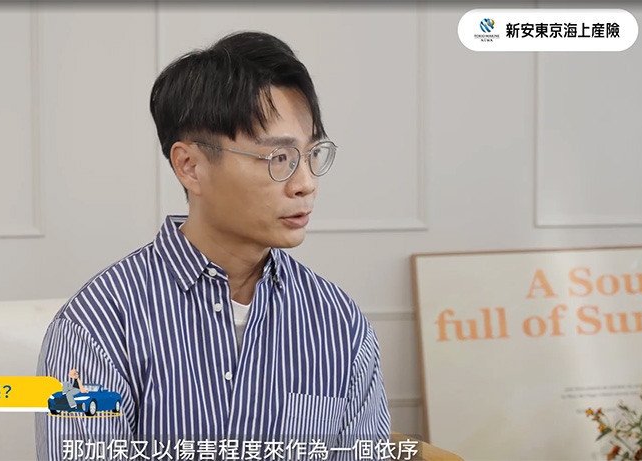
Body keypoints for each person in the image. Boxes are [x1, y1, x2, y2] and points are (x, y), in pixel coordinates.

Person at [36, 30, 390, 460]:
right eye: (279, 158)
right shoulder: (98, 327)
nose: (305, 184)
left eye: (312, 154)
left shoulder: (339, 324)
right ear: (190, 166)